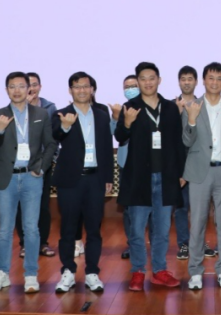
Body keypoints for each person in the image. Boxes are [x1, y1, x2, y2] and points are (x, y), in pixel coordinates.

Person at [114, 62, 186, 291]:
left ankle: (159, 270)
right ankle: (137, 271)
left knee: (162, 230)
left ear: (159, 80)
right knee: (136, 230)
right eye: (143, 79)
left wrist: (182, 172)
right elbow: (120, 136)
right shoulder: (130, 107)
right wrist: (126, 123)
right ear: (138, 82)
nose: (147, 82)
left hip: (166, 177)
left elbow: (178, 142)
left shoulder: (170, 107)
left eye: (151, 78)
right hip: (139, 178)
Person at [0, 72, 58, 293]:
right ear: (6, 90)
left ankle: (31, 274)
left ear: (29, 89)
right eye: (12, 86)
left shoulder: (41, 114)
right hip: (6, 178)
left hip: (31, 177)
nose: (16, 90)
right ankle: (1, 273)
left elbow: (51, 144)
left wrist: (41, 168)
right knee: (4, 230)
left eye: (21, 86)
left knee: (31, 229)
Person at [182, 62, 221, 290]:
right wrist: (191, 119)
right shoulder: (191, 106)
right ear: (203, 80)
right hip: (200, 173)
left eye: (219, 78)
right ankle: (195, 272)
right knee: (197, 224)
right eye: (211, 78)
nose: (215, 82)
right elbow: (186, 141)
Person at [53, 72, 113, 294]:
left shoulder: (102, 115)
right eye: (77, 87)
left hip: (95, 178)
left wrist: (108, 177)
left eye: (85, 86)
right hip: (70, 180)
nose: (82, 90)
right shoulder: (62, 114)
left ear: (92, 89)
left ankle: (92, 272)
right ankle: (68, 271)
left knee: (94, 229)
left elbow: (106, 147)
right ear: (70, 90)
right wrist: (65, 127)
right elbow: (55, 135)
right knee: (68, 228)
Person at [16, 72, 58, 259]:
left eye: (34, 84)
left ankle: (43, 243)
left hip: (42, 164)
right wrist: (25, 108)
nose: (31, 88)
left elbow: (53, 137)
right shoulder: (15, 107)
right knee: (21, 206)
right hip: (20, 165)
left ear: (40, 87)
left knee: (43, 206)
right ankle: (25, 244)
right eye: (28, 85)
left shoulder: (49, 108)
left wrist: (48, 160)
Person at [172, 65, 203, 262]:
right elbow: (169, 136)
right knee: (181, 207)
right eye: (183, 79)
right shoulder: (171, 105)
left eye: (190, 79)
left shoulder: (204, 104)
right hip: (179, 163)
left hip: (201, 163)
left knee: (200, 208)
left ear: (196, 82)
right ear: (179, 82)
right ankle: (184, 243)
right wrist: (176, 113)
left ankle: (199, 243)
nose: (186, 82)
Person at [116, 75, 139, 260]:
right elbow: (116, 135)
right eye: (127, 87)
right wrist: (117, 119)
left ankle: (151, 244)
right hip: (126, 164)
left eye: (133, 86)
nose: (130, 89)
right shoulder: (123, 108)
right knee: (129, 209)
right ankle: (132, 245)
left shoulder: (153, 107)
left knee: (152, 209)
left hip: (149, 166)